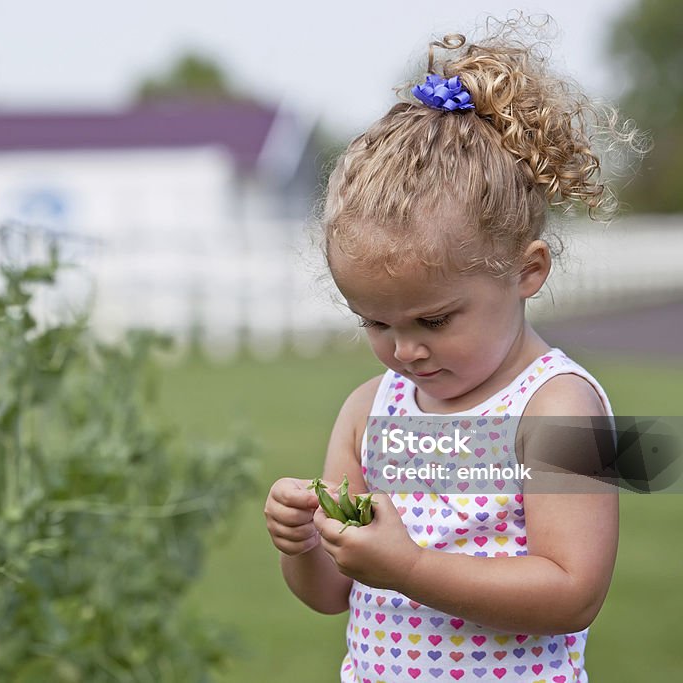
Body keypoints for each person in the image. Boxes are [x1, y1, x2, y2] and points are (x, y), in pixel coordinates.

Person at [264, 19, 644, 683]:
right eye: (374, 322)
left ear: (527, 271)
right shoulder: (367, 412)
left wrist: (409, 568)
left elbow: (572, 590)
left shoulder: (555, 407)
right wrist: (303, 545)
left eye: (433, 319)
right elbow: (333, 593)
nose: (404, 350)